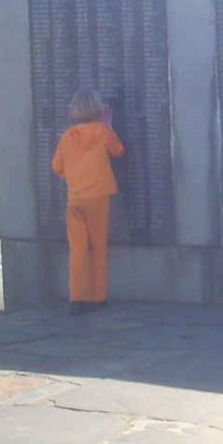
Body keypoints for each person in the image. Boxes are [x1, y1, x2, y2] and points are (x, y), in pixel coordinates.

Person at [50, 88, 125, 314]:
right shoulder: (103, 132)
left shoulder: (67, 137)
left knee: (78, 250)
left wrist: (74, 177)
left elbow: (56, 167)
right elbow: (119, 151)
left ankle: (77, 298)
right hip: (99, 199)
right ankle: (98, 297)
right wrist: (109, 126)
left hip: (75, 200)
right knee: (99, 248)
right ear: (98, 109)